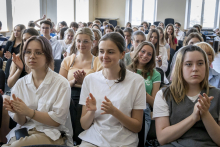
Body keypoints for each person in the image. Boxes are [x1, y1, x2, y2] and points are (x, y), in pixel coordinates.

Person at [2, 36, 73, 147]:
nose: (32, 56)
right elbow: (22, 122)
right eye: (28, 52)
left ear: (48, 56)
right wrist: (18, 111)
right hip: (25, 131)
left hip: (53, 134)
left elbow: (56, 121)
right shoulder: (20, 84)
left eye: (38, 53)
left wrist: (28, 111)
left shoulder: (61, 83)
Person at [78, 32, 146, 147]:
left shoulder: (136, 81)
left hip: (123, 141)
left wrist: (114, 112)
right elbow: (84, 125)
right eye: (101, 51)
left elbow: (137, 127)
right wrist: (91, 111)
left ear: (122, 54)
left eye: (110, 52)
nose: (104, 56)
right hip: (94, 139)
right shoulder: (90, 79)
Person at [153, 45, 220, 146]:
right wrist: (193, 118)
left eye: (200, 63)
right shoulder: (164, 95)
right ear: (180, 67)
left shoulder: (217, 94)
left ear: (206, 66)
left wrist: (205, 114)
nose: (195, 69)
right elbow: (162, 138)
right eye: (188, 64)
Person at [59, 28, 100, 143]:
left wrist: (84, 82)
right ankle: (69, 137)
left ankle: (79, 138)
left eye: (86, 41)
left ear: (93, 42)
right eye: (79, 41)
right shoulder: (68, 60)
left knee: (80, 104)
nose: (81, 44)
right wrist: (74, 82)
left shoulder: (98, 62)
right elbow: (60, 84)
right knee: (69, 101)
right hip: (70, 92)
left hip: (90, 95)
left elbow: (101, 86)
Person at [0, 28, 39, 144]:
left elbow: (40, 81)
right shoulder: (17, 57)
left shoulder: (40, 57)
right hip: (15, 91)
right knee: (5, 101)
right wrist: (19, 69)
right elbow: (10, 83)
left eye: (29, 39)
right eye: (24, 40)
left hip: (33, 91)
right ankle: (4, 138)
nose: (26, 43)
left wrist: (29, 70)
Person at [128, 41, 161, 144]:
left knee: (137, 142)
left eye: (149, 54)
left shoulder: (155, 74)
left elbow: (155, 103)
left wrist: (141, 91)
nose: (145, 55)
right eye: (143, 51)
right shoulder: (126, 70)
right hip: (126, 105)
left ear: (152, 57)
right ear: (137, 51)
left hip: (143, 108)